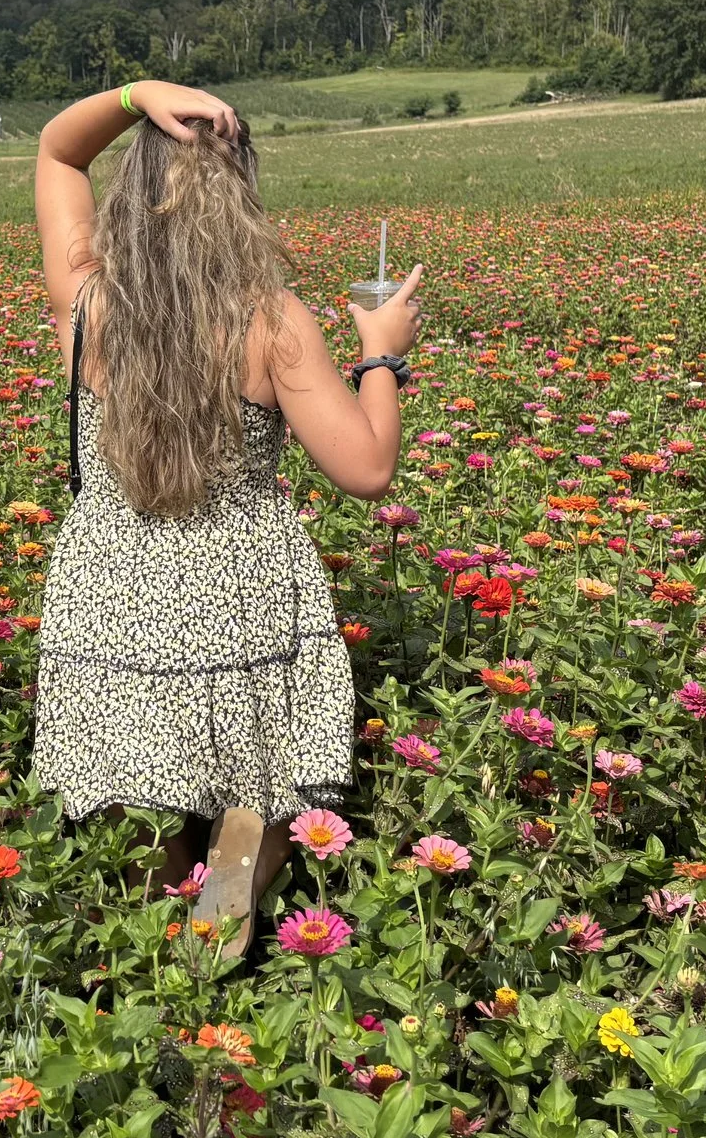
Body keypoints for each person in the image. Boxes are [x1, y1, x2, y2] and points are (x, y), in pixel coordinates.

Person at [31, 79, 424, 954]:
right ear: (242, 193)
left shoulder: (91, 302)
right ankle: (224, 933)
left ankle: (152, 968)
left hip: (114, 593)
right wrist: (382, 355)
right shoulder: (273, 322)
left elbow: (59, 151)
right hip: (241, 590)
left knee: (147, 795)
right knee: (257, 795)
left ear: (132, 191)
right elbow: (368, 469)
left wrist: (136, 94)